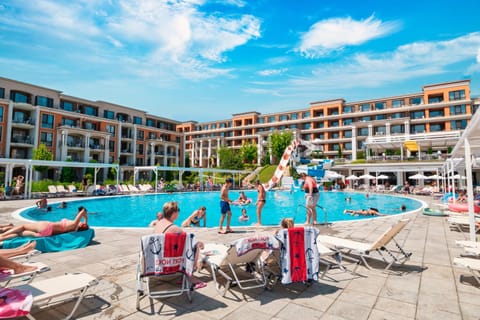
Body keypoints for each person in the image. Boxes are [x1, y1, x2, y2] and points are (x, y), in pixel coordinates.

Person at [153, 201, 206, 289]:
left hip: (158, 260)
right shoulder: (174, 229)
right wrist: (199, 243)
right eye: (178, 210)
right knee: (195, 246)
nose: (178, 212)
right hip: (169, 264)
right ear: (174, 213)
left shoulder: (159, 223)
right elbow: (190, 242)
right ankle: (191, 277)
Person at [0, 206, 89, 242]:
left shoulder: (74, 224)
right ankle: (3, 235)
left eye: (82, 223)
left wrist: (85, 216)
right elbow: (84, 225)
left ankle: (3, 235)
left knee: (22, 226)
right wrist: (85, 221)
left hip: (47, 227)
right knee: (19, 233)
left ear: (80, 225)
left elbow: (82, 211)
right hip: (45, 234)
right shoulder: (73, 228)